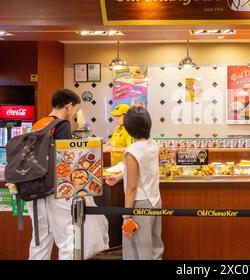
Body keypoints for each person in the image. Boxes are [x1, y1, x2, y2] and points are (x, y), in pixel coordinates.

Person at [28, 89, 109, 260]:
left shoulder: (38, 124)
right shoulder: (62, 125)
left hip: (34, 190)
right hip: (56, 191)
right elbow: (68, 159)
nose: (73, 113)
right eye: (74, 108)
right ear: (69, 106)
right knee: (67, 239)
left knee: (40, 241)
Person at [105, 107, 164, 260]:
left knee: (138, 249)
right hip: (155, 200)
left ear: (129, 127)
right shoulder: (153, 145)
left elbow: (132, 187)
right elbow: (144, 172)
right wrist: (119, 177)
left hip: (139, 203)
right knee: (154, 246)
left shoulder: (132, 151)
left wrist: (126, 216)